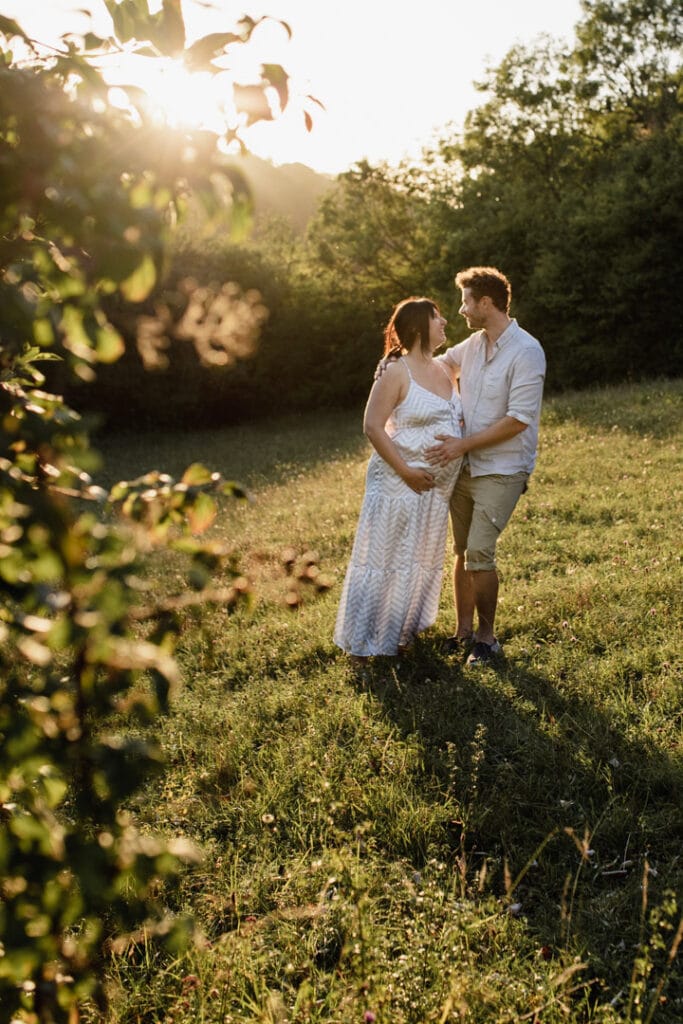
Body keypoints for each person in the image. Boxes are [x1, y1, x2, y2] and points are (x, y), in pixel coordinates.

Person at [425, 266, 546, 666]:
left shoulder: (527, 351)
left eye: (465, 302)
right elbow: (441, 365)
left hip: (503, 467)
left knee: (479, 550)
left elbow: (518, 420)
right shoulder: (473, 345)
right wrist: (395, 368)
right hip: (466, 468)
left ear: (486, 303)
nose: (461, 310)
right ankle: (462, 632)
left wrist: (462, 444)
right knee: (461, 551)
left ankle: (487, 639)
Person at [334, 297, 463, 659]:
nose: (445, 323)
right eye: (438, 318)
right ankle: (361, 646)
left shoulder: (443, 368)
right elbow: (372, 426)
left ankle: (400, 636)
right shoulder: (396, 370)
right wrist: (406, 472)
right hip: (397, 483)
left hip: (435, 492)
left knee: (416, 562)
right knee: (383, 561)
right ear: (421, 325)